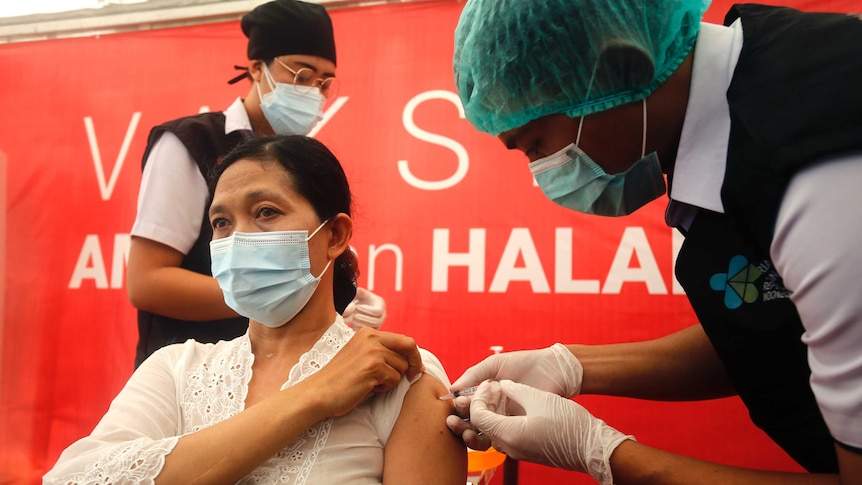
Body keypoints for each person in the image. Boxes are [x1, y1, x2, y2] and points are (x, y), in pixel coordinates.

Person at [445, 1, 862, 484]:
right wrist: (572, 366)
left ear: (622, 65)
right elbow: (774, 326)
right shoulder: (748, 97)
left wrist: (602, 452)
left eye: (536, 143)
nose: (542, 171)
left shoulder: (821, 173)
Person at [45, 135, 467, 484]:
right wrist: (313, 395)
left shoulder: (397, 376)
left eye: (266, 212)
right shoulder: (176, 369)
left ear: (335, 235)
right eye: (222, 222)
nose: (237, 238)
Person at [127, 0, 386, 369]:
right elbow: (147, 283)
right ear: (256, 69)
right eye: (301, 75)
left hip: (277, 370)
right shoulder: (191, 143)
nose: (314, 91)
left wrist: (335, 299)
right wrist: (268, 290)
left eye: (325, 82)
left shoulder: (303, 159)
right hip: (193, 371)